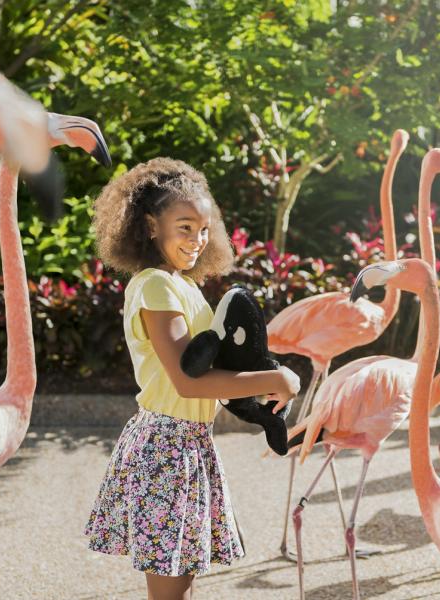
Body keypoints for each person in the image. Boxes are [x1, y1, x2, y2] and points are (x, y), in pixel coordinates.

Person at [84, 157, 300, 600]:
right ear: (149, 226)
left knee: (179, 584)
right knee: (169, 591)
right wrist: (276, 381)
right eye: (184, 227)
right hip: (166, 446)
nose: (197, 240)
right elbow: (189, 383)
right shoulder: (155, 286)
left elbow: (211, 369)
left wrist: (265, 377)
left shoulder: (179, 284)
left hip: (186, 442)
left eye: (204, 229)